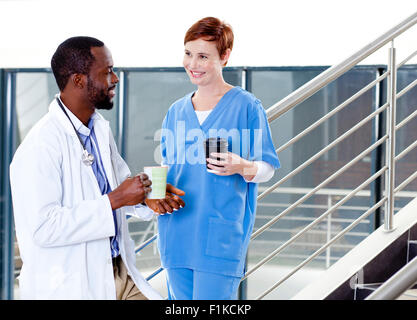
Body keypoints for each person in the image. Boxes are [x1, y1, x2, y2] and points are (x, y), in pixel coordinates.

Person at [9, 36, 185, 300]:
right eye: (107, 71)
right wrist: (115, 200)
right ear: (78, 80)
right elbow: (43, 228)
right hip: (72, 283)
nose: (114, 79)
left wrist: (145, 197)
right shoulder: (39, 146)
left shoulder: (99, 129)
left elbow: (117, 187)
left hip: (118, 271)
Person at [158, 17, 280, 300]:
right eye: (188, 54)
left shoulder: (247, 106)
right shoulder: (175, 111)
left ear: (224, 57)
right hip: (176, 232)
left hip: (219, 236)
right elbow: (167, 166)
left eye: (203, 56)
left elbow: (267, 167)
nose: (193, 64)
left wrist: (242, 166)